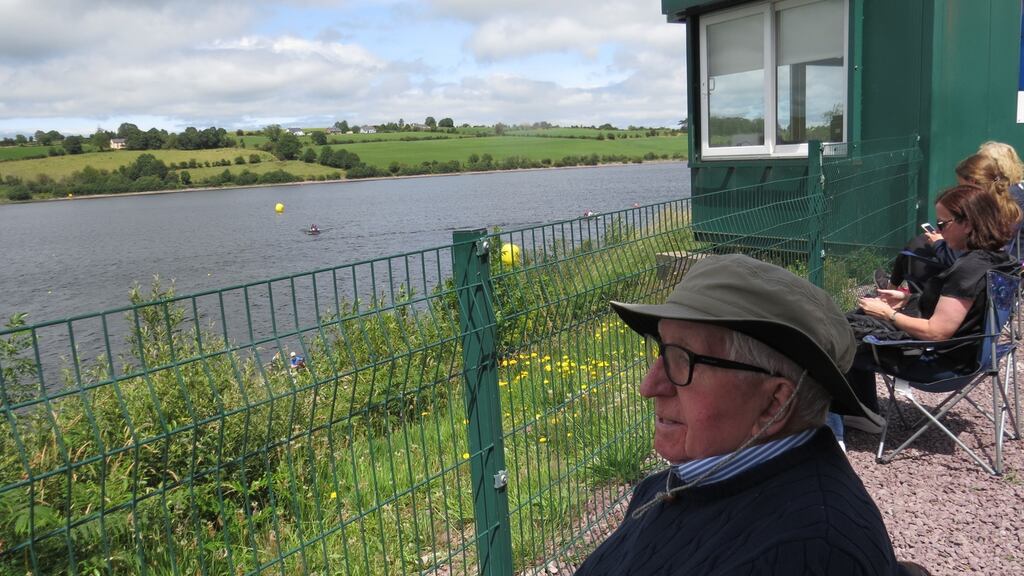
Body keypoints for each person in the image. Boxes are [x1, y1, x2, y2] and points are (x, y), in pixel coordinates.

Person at [574, 254, 906, 575]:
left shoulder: (801, 552)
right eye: (661, 349)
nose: (650, 386)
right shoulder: (688, 478)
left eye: (683, 359)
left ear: (774, 403)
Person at [846, 184, 1020, 422]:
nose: (939, 231)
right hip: (978, 355)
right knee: (858, 321)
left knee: (841, 339)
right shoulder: (1000, 260)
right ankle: (861, 412)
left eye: (943, 224)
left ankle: (853, 417)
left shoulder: (968, 269)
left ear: (967, 223)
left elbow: (936, 333)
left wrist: (888, 314)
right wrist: (908, 298)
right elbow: (969, 310)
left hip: (940, 365)